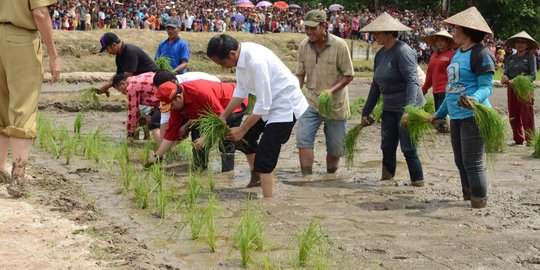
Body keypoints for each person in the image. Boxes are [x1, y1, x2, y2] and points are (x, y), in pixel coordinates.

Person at [207, 34, 309, 197]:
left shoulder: (256, 62)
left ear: (232, 54)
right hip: (269, 104)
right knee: (243, 141)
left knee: (265, 157)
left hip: (285, 107)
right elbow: (241, 90)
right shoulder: (240, 57)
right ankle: (256, 179)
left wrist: (241, 129)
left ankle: (268, 200)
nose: (222, 67)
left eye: (221, 63)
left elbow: (263, 104)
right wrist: (223, 115)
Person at [432, 7, 496, 208]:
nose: (453, 33)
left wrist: (473, 99)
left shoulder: (482, 53)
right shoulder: (458, 53)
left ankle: (479, 201)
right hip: (457, 116)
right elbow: (451, 90)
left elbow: (486, 87)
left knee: (473, 162)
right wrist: (439, 114)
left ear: (466, 30)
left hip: (473, 115)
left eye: (456, 29)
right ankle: (468, 196)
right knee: (460, 161)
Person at [0, 0, 60, 197]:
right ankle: (17, 177)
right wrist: (53, 55)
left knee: (1, 106)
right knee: (23, 107)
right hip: (21, 38)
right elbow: (41, 13)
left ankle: (1, 168)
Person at [359, 12, 426, 187]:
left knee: (408, 147)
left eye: (378, 32)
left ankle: (417, 182)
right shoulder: (380, 55)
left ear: (389, 33)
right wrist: (366, 111)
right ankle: (387, 180)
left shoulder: (403, 52)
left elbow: (413, 81)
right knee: (387, 146)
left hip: (406, 106)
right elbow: (375, 85)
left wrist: (409, 110)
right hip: (389, 107)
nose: (374, 36)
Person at [147, 70, 248, 173]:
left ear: (178, 97)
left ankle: (227, 174)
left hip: (232, 103)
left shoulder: (200, 93)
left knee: (226, 138)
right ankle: (200, 170)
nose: (171, 108)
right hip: (209, 110)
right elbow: (170, 135)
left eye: (171, 105)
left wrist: (204, 138)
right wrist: (157, 156)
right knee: (196, 133)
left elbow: (221, 119)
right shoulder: (175, 105)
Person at [295, 10, 354, 175]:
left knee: (336, 148)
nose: (309, 32)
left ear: (324, 26)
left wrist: (331, 91)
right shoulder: (303, 46)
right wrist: (294, 95)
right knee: (303, 139)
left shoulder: (339, 45)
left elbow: (348, 74)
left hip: (335, 104)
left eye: (313, 28)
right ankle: (306, 177)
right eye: (306, 28)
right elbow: (300, 75)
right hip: (311, 102)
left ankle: (330, 176)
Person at [501, 31, 538, 146]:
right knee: (513, 113)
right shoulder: (510, 58)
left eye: (522, 42)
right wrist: (504, 77)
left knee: (527, 115)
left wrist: (518, 80)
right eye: (517, 42)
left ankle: (531, 140)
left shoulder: (530, 57)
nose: (519, 44)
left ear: (527, 45)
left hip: (525, 89)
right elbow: (506, 72)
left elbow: (533, 75)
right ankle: (518, 138)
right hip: (511, 89)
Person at [111, 72, 161, 144]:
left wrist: (130, 134)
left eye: (119, 89)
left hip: (167, 98)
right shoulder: (137, 78)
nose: (121, 92)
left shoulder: (131, 87)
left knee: (154, 124)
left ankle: (163, 149)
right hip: (169, 91)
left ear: (123, 83)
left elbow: (133, 113)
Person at [422, 30, 456, 132]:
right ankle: (444, 128)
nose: (439, 43)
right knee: (438, 112)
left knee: (443, 114)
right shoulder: (433, 56)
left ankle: (449, 129)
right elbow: (429, 74)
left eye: (442, 41)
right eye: (438, 41)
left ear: (448, 42)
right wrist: (424, 88)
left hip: (446, 89)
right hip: (436, 90)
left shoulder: (452, 55)